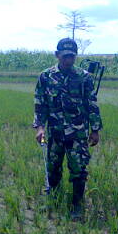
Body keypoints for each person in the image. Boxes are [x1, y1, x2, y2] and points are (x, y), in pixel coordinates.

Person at [33, 38, 103, 220]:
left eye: (71, 56)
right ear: (57, 55)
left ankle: (77, 206)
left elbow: (91, 104)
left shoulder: (84, 77)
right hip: (55, 132)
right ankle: (53, 200)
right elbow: (40, 104)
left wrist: (95, 130)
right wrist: (40, 127)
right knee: (53, 168)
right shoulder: (46, 77)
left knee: (79, 170)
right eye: (65, 57)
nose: (68, 60)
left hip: (77, 134)